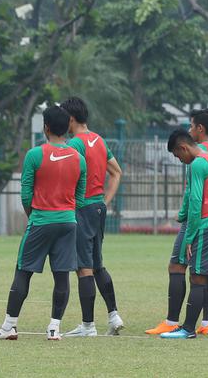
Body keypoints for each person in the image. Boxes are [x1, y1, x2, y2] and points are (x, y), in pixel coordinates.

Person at [0, 105, 86, 341]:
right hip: (68, 222)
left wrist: (35, 214)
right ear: (67, 128)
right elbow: (80, 197)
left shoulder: (34, 155)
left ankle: (9, 326)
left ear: (46, 127)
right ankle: (54, 328)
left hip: (41, 220)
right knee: (62, 276)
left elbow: (25, 194)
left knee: (23, 272)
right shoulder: (79, 158)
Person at [146, 108, 208, 337]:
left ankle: (174, 322)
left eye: (190, 125)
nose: (188, 129)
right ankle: (207, 321)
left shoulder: (197, 159)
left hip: (199, 221)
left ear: (199, 129)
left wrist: (189, 214)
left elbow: (192, 195)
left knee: (181, 267)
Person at [59, 97, 124, 338]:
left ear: (71, 119)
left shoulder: (75, 144)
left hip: (81, 209)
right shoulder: (99, 139)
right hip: (98, 208)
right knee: (97, 264)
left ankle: (88, 326)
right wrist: (105, 201)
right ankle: (113, 315)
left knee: (83, 268)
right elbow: (117, 172)